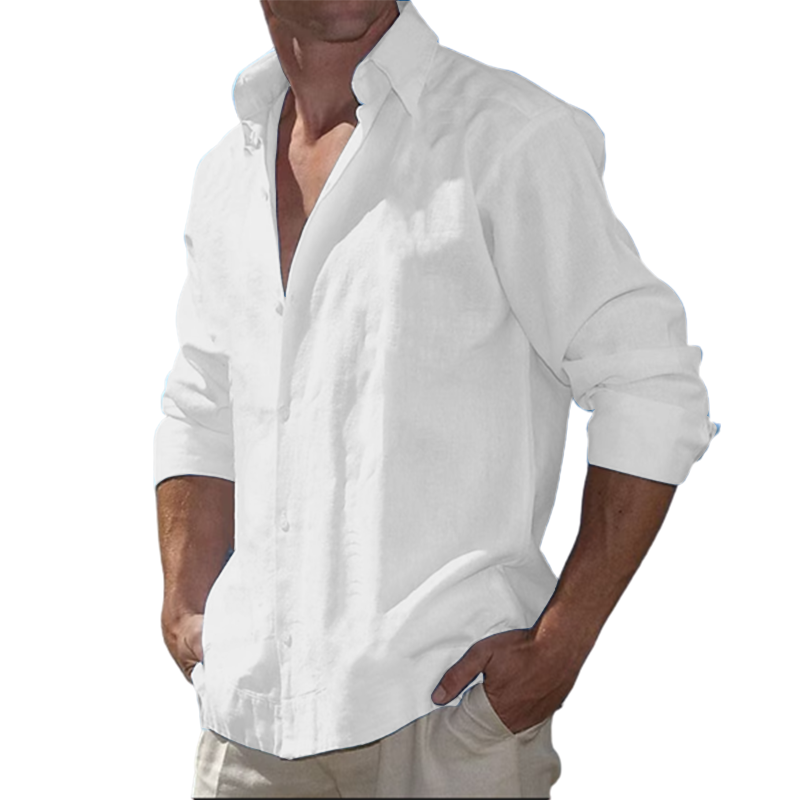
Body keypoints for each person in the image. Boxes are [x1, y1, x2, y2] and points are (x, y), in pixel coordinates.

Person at [154, 1, 718, 796]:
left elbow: (650, 385)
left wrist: (560, 646)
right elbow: (205, 399)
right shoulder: (227, 172)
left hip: (443, 721)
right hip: (249, 730)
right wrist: (185, 601)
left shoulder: (508, 136)